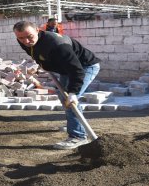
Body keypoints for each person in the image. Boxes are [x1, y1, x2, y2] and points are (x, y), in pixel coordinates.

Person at [13, 20, 101, 150]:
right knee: (63, 98)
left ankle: (78, 136)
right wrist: (41, 65)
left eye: (29, 36)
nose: (26, 41)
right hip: (64, 68)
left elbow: (76, 70)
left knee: (70, 100)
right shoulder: (24, 40)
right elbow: (36, 53)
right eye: (21, 38)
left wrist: (73, 92)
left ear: (37, 30)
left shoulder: (58, 45)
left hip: (84, 67)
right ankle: (74, 124)